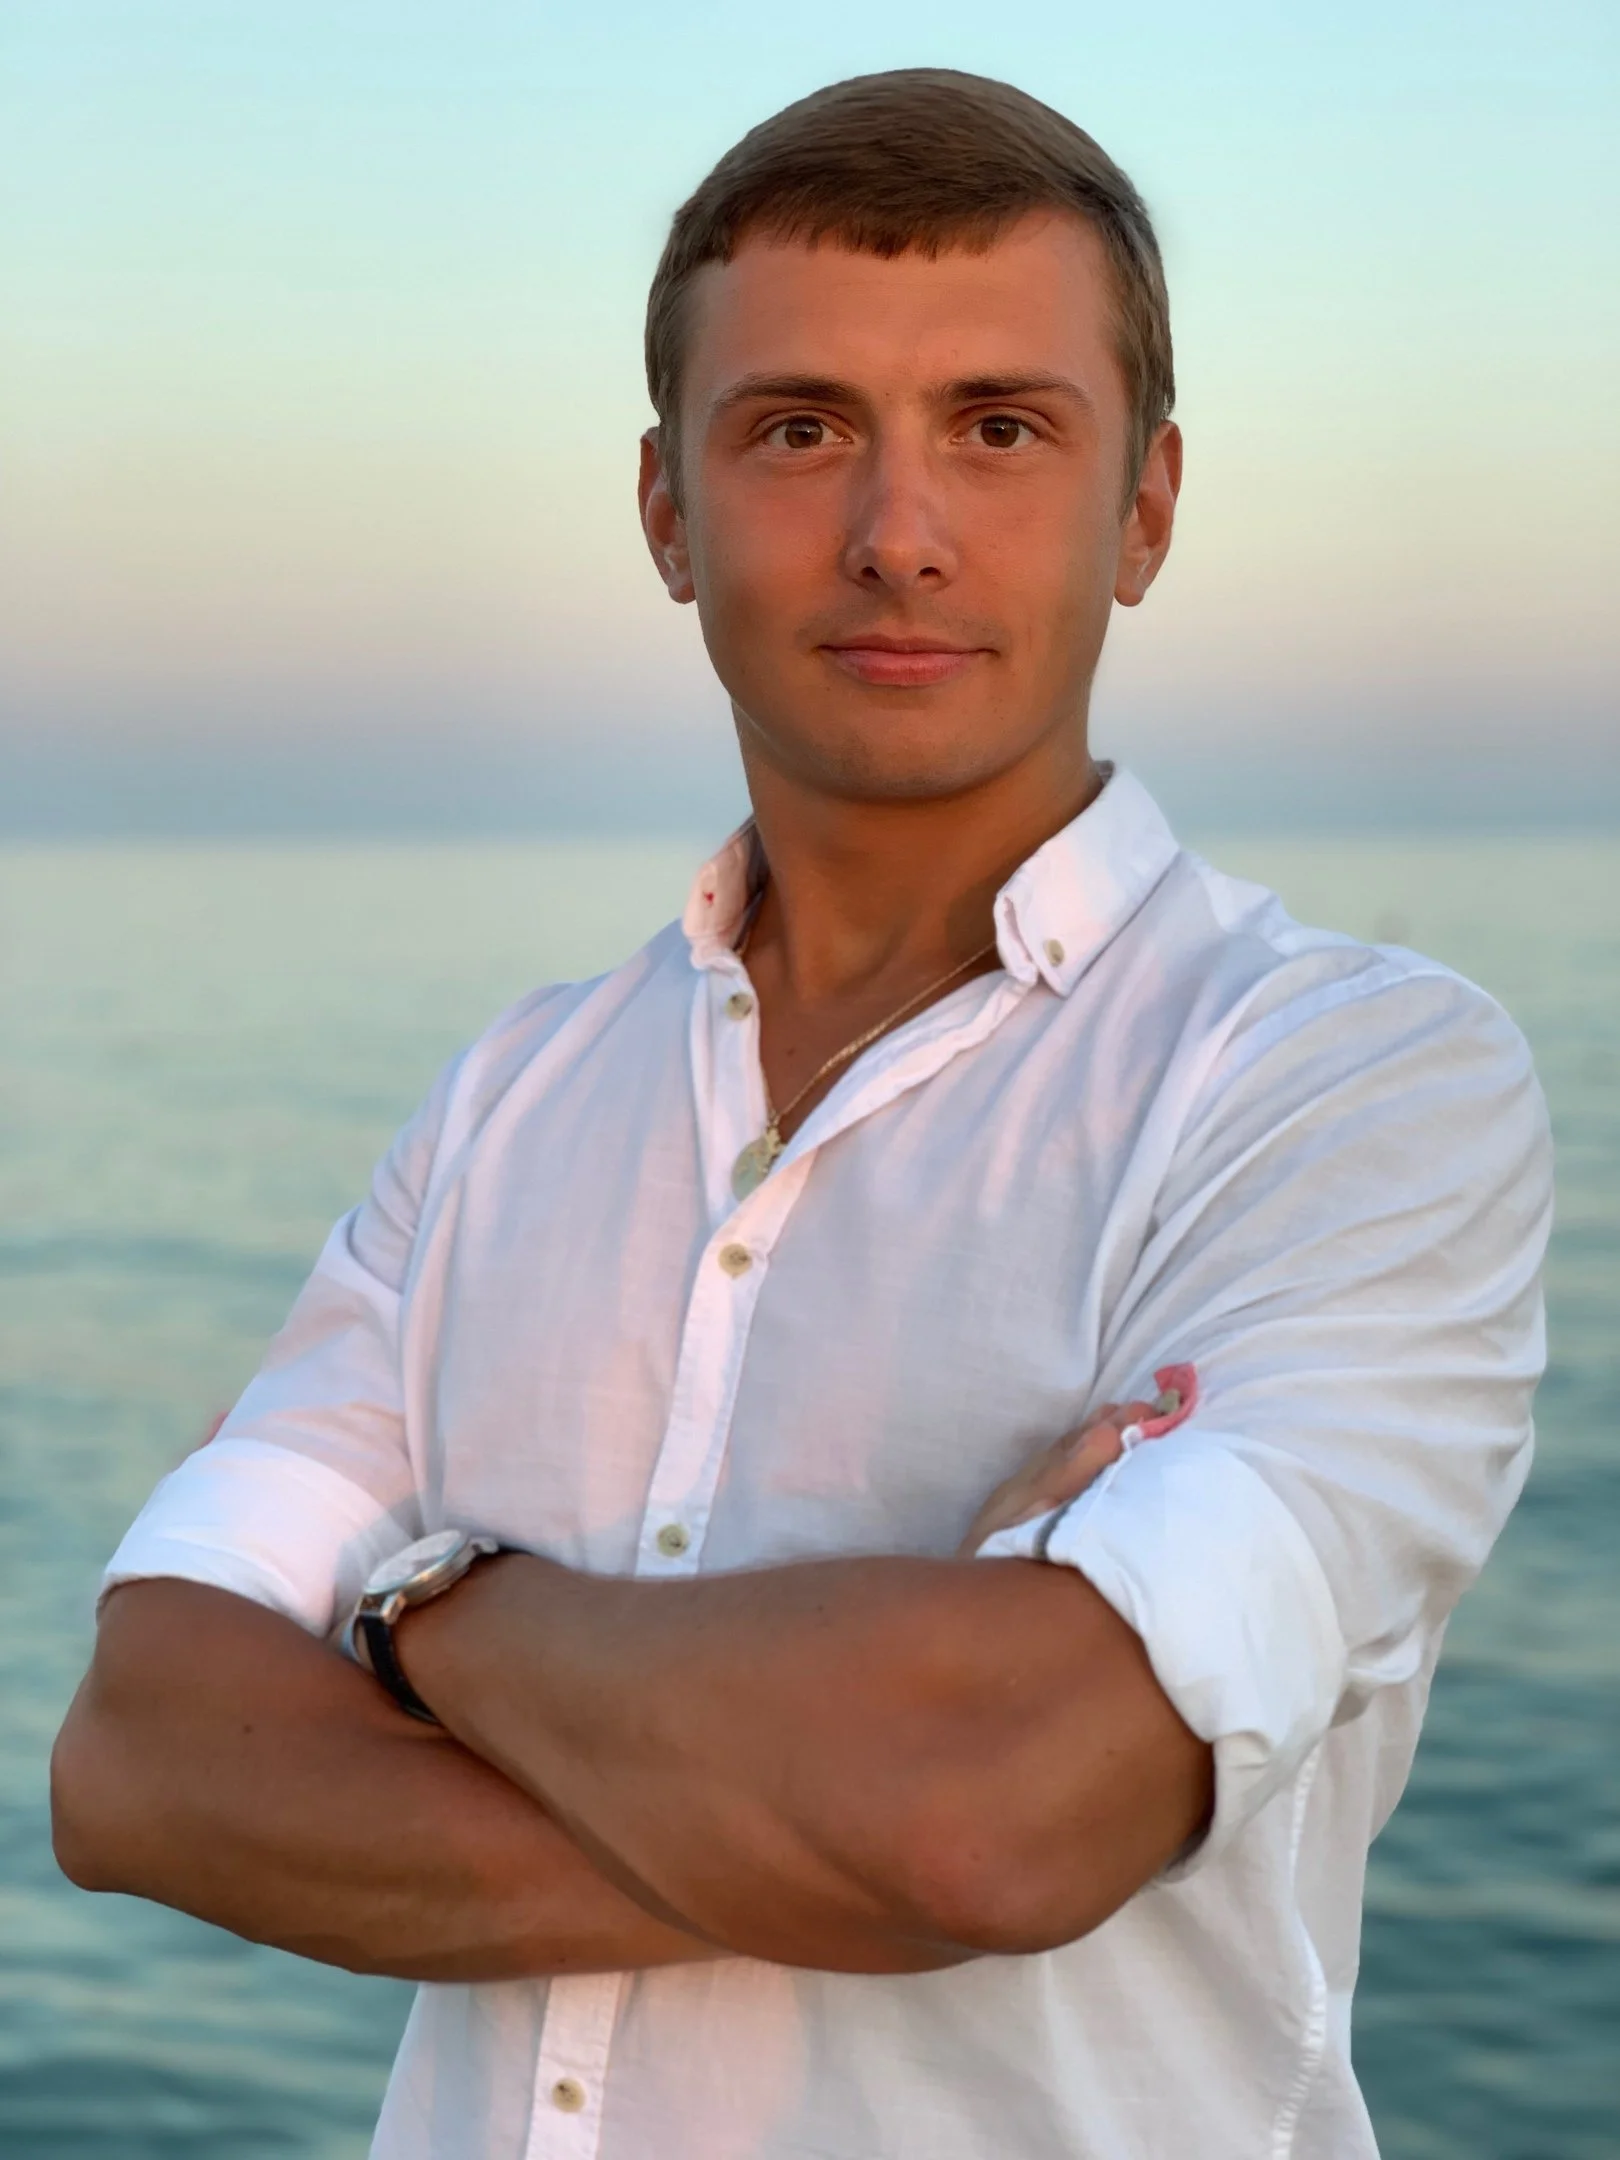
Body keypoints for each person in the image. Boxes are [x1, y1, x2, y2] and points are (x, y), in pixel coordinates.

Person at [51, 68, 1552, 2160]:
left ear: (1147, 507)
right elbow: (137, 1770)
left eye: (1000, 429)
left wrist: (421, 1609)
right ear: (667, 511)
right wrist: (856, 1811)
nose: (897, 534)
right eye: (797, 430)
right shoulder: (506, 1107)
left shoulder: (1348, 1089)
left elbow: (989, 1816)